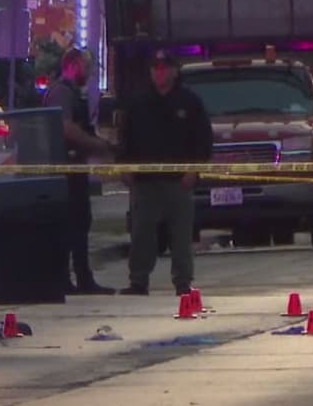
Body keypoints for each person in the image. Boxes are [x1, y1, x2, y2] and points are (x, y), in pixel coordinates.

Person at [118, 49, 213, 296]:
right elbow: (125, 139)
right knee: (142, 234)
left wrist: (193, 171)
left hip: (178, 182)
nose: (159, 72)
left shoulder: (189, 102)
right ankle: (138, 281)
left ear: (174, 71)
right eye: (155, 68)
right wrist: (125, 168)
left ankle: (183, 282)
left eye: (164, 68)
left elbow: (203, 141)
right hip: (144, 182)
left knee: (181, 236)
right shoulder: (138, 103)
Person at [44, 48, 115, 295]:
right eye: (87, 66)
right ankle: (62, 280)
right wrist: (97, 146)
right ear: (73, 65)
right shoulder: (61, 93)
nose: (91, 72)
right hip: (63, 172)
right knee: (69, 225)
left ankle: (84, 280)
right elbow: (66, 129)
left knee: (81, 223)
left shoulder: (75, 94)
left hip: (76, 170)